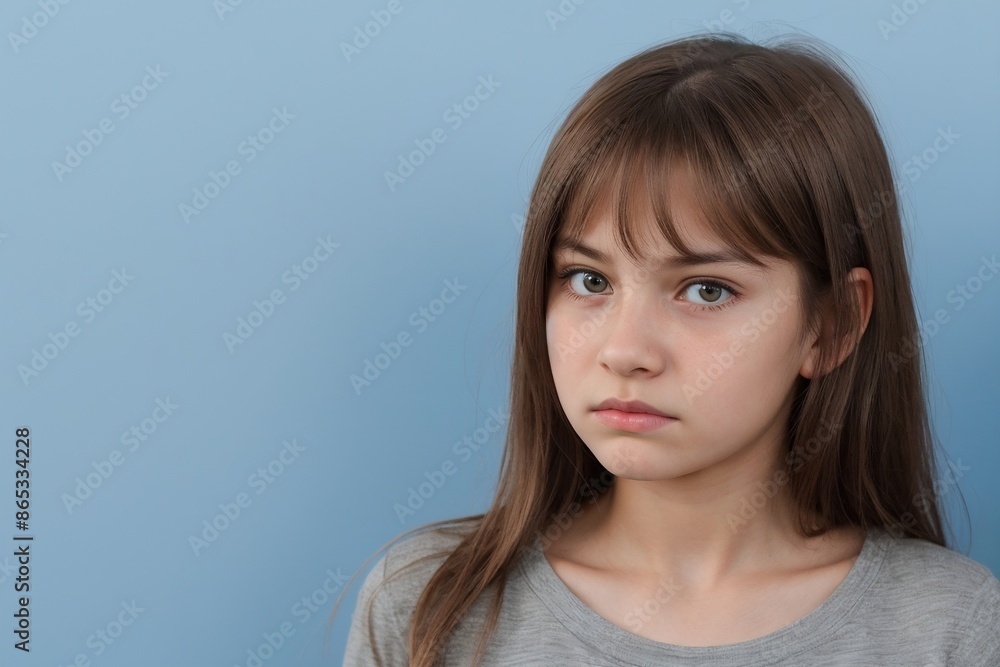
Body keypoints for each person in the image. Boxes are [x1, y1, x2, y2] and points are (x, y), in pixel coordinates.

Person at [335, 32, 1000, 666]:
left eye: (706, 290)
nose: (625, 351)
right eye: (589, 280)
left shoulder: (951, 627)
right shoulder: (429, 605)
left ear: (831, 326)